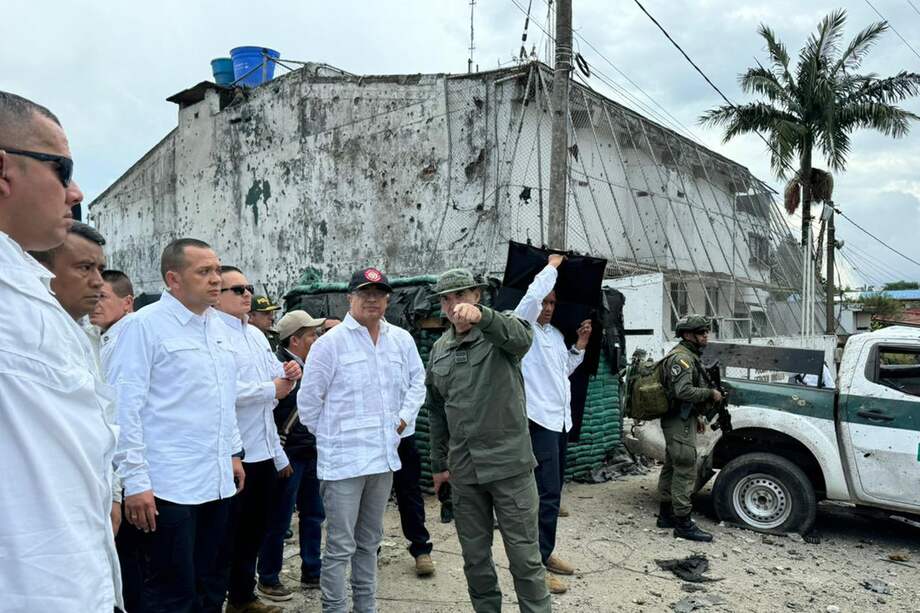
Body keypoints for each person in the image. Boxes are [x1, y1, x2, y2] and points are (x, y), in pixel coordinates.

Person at [0, 91, 123, 611]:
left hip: (71, 577)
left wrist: (107, 492)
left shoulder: (26, 290)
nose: (75, 192)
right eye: (62, 169)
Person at [108, 238, 246, 613]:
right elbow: (123, 410)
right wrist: (135, 481)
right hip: (167, 488)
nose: (216, 279)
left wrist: (232, 453)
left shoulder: (217, 327)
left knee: (211, 586)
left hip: (216, 482)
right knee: (171, 594)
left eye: (217, 270)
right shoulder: (143, 327)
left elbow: (223, 397)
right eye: (204, 272)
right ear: (173, 279)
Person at [298, 267, 426, 613]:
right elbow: (308, 405)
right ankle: (335, 608)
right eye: (365, 293)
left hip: (383, 459)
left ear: (387, 299)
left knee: (370, 543)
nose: (372, 300)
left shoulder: (401, 340)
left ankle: (366, 607)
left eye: (379, 294)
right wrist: (334, 437)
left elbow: (418, 382)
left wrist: (402, 419)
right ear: (349, 298)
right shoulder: (330, 345)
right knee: (340, 546)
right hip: (343, 464)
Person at [426, 268, 551, 613]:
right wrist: (439, 466)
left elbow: (521, 339)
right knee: (475, 561)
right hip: (465, 472)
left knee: (525, 559)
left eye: (461, 295)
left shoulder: (501, 330)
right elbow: (436, 411)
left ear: (477, 296)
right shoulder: (439, 350)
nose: (453, 305)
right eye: (446, 299)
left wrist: (482, 317)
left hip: (509, 467)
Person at [214, 266, 300, 613]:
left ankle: (242, 596)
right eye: (237, 289)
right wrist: (271, 389)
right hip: (234, 452)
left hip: (263, 448)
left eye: (248, 287)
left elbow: (275, 379)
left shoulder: (255, 335)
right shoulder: (214, 334)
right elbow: (223, 391)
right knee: (227, 535)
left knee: (254, 530)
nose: (246, 293)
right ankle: (220, 598)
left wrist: (290, 373)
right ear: (217, 296)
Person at [513, 253, 592, 595]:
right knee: (542, 495)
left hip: (559, 422)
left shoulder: (556, 335)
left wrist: (579, 347)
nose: (546, 307)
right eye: (544, 302)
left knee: (553, 494)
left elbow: (563, 373)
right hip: (538, 421)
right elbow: (530, 299)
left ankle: (544, 554)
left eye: (552, 303)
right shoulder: (522, 329)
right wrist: (552, 267)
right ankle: (534, 565)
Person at [258, 310, 328, 597]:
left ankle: (312, 571)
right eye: (312, 334)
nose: (317, 339)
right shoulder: (278, 369)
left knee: (313, 515)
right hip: (287, 456)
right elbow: (267, 417)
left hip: (311, 452)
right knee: (278, 519)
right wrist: (279, 457)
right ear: (295, 340)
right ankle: (268, 577)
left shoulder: (313, 365)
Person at [657, 314, 721, 543]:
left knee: (672, 465)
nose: (706, 336)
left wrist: (697, 415)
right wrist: (710, 394)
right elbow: (682, 391)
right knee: (685, 466)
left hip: (682, 417)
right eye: (701, 332)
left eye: (706, 332)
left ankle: (666, 515)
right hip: (677, 419)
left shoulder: (688, 355)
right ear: (687, 334)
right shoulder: (682, 359)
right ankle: (683, 523)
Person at [393, 427, 436, 577]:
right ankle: (370, 551)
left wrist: (402, 421)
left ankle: (421, 549)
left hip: (403, 434)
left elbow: (411, 408)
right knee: (370, 496)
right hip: (371, 437)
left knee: (409, 492)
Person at [91, 269, 135, 367]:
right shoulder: (97, 336)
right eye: (91, 296)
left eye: (102, 296)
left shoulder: (132, 339)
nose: (93, 303)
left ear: (127, 303)